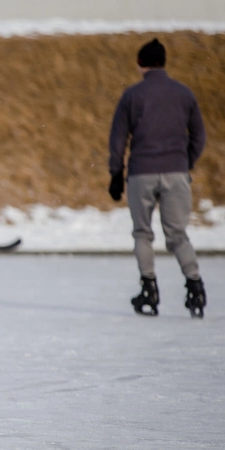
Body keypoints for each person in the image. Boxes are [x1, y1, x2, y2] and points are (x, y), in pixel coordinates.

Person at [108, 38, 207, 318]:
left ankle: (149, 290)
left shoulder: (132, 96)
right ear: (163, 62)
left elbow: (118, 139)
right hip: (176, 173)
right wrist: (184, 162)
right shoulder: (184, 94)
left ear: (140, 63)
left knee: (142, 233)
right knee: (178, 235)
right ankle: (195, 286)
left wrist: (116, 173)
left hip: (142, 173)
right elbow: (199, 136)